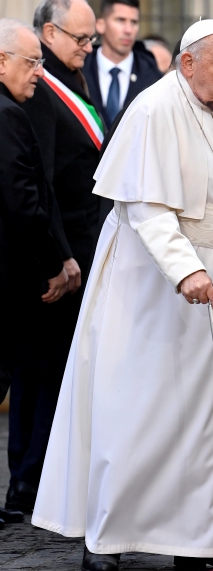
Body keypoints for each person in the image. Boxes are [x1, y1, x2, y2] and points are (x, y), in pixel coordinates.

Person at [31, 19, 213, 571]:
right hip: (151, 288)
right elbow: (146, 209)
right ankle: (108, 536)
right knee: (140, 411)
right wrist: (186, 270)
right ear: (187, 64)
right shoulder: (153, 110)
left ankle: (209, 538)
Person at [5, 0, 101, 514]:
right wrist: (61, 258)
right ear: (49, 32)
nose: (88, 49)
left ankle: (39, 478)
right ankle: (29, 480)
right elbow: (38, 184)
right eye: (80, 39)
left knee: (56, 369)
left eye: (91, 41)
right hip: (56, 254)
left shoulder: (74, 78)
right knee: (39, 370)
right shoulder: (39, 87)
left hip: (79, 246)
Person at [0, 18, 68, 524]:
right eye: (32, 62)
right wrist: (56, 265)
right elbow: (24, 205)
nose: (40, 73)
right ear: (2, 61)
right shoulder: (8, 117)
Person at [83, 0, 162, 129]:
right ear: (100, 25)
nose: (128, 30)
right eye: (120, 20)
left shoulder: (152, 76)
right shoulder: (80, 69)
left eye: (134, 22)